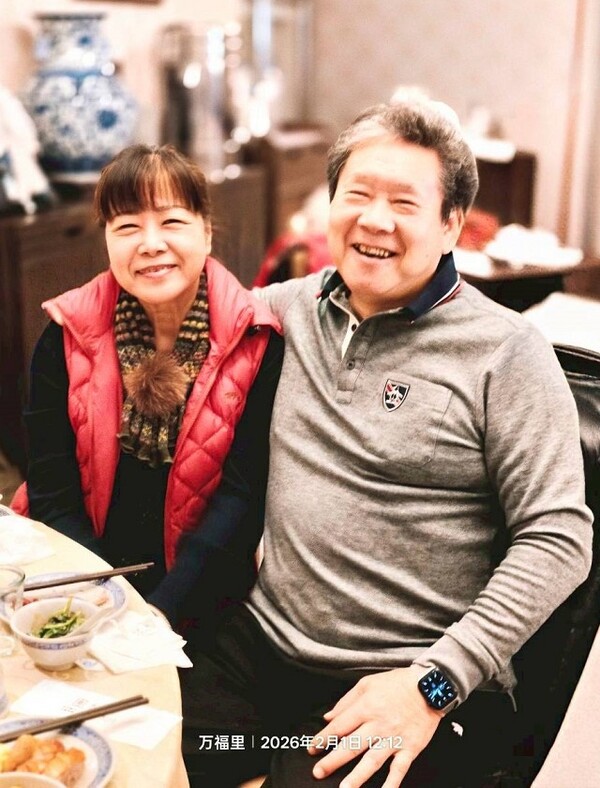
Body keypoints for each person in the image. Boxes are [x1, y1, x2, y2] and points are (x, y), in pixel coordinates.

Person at [179, 99, 593, 788]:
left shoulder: (507, 352)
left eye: (405, 202)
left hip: (408, 681)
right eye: (358, 194)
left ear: (451, 222)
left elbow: (560, 538)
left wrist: (434, 683)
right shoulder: (287, 311)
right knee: (135, 740)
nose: (375, 220)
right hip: (262, 650)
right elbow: (166, 323)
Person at [11, 143, 282, 627]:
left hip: (200, 591)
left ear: (207, 232)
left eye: (171, 221)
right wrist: (99, 589)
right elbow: (52, 489)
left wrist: (160, 609)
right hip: (79, 577)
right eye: (127, 227)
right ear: (107, 239)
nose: (150, 243)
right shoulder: (66, 333)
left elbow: (242, 501)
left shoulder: (255, 340)